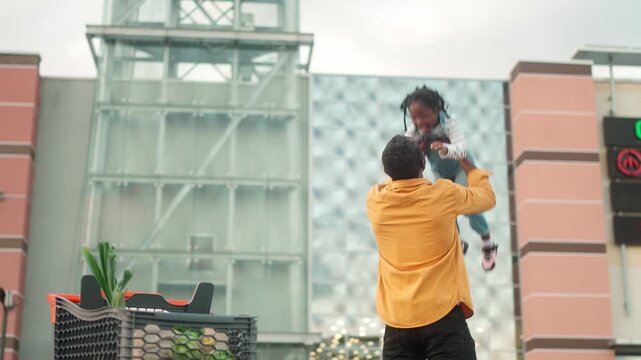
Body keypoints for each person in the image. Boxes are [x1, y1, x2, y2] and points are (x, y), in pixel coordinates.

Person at [366, 135, 496, 359]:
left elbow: (394, 182)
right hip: (443, 318)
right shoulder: (444, 195)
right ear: (423, 163)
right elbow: (487, 198)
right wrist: (467, 163)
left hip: (398, 324)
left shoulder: (376, 201)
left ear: (387, 171)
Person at [401, 86, 498, 271]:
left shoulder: (451, 123)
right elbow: (406, 152)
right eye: (414, 118)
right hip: (440, 171)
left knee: (467, 203)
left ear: (437, 110)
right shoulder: (414, 131)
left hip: (461, 167)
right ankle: (457, 241)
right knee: (443, 206)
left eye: (424, 116)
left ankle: (487, 242)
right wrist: (417, 148)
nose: (419, 122)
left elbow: (461, 149)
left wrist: (446, 148)